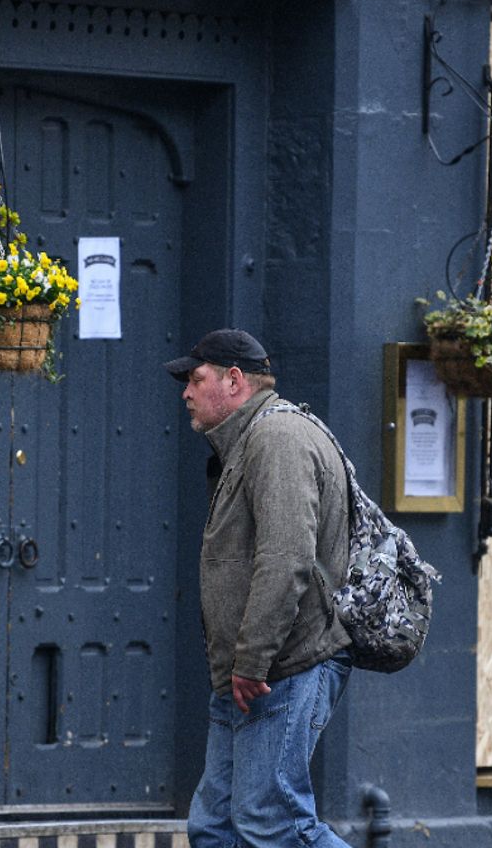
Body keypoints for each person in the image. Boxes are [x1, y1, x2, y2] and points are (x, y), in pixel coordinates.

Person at [165, 329, 353, 848]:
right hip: (250, 674)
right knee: (216, 828)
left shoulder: (277, 438)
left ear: (233, 380)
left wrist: (250, 660)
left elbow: (287, 557)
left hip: (281, 668)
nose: (186, 392)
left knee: (272, 822)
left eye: (195, 379)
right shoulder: (250, 441)